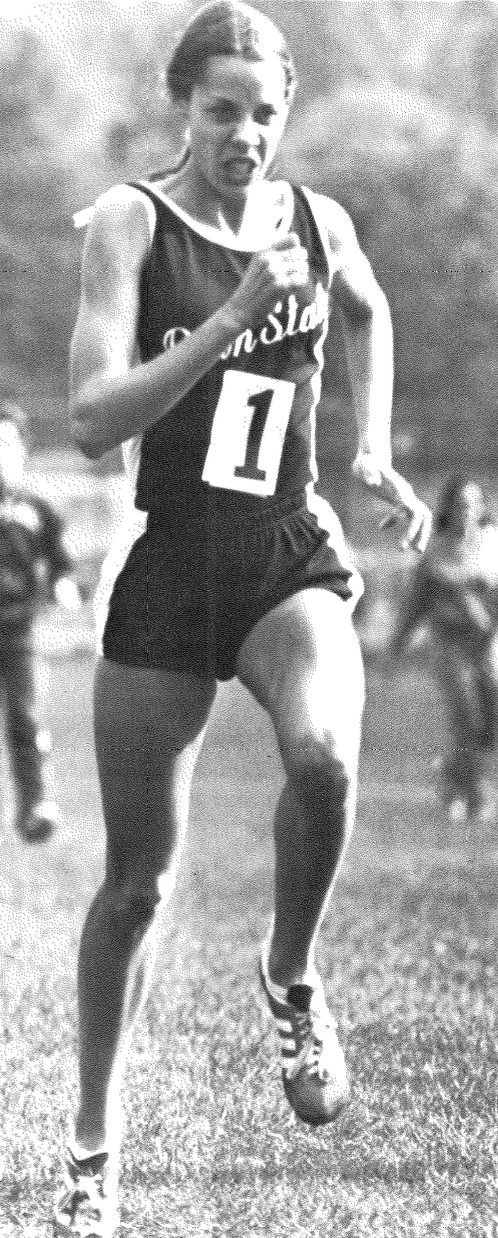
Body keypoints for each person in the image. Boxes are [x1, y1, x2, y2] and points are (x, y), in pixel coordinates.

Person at [55, 4, 431, 1233]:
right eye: (223, 110)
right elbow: (92, 418)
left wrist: (371, 449)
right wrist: (226, 321)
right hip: (168, 563)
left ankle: (292, 973)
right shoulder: (133, 223)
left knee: (324, 757)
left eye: (266, 114)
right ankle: (93, 1150)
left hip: (284, 551)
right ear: (185, 107)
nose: (246, 135)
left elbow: (366, 308)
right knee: (137, 887)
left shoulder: (318, 222)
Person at [388, 472, 498, 824]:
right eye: (460, 505)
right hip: (449, 646)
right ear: (448, 509)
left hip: (488, 646)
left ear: (481, 507)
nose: (466, 511)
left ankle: (451, 773)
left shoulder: (492, 545)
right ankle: (473, 793)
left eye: (472, 504)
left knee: (491, 723)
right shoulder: (435, 552)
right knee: (467, 716)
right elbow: (416, 604)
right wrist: (398, 643)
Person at [0, 399, 80, 841]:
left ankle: (36, 804)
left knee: (25, 717)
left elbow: (61, 562)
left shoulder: (37, 509)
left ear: (23, 452)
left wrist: (63, 584)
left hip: (19, 633)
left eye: (7, 444)